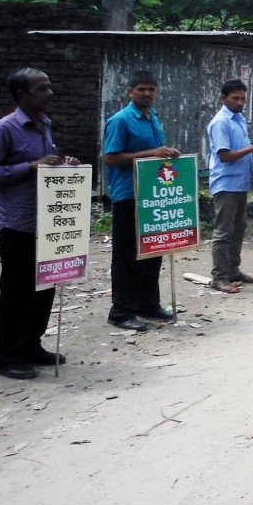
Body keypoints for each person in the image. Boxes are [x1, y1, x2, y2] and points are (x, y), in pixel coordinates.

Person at [0, 69, 79, 378]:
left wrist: (64, 165)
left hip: (47, 222)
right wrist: (30, 166)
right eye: (41, 88)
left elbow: (47, 165)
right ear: (22, 94)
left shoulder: (44, 125)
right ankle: (5, 357)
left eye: (49, 87)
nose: (50, 93)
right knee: (16, 291)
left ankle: (31, 344)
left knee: (44, 286)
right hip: (18, 223)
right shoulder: (3, 129)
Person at [102, 70, 179, 331]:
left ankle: (148, 304)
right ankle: (121, 311)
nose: (147, 94)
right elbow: (111, 158)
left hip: (153, 196)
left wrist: (167, 154)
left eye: (151, 89)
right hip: (128, 196)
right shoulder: (120, 120)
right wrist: (152, 153)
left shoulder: (153, 117)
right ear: (130, 92)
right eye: (141, 89)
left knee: (153, 251)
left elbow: (155, 155)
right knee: (126, 256)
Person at [207, 79, 253, 293]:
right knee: (223, 231)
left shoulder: (238, 119)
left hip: (240, 182)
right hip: (226, 183)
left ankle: (233, 271)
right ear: (223, 98)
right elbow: (225, 155)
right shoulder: (221, 122)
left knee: (239, 229)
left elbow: (244, 150)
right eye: (234, 98)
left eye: (242, 98)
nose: (239, 102)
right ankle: (218, 277)